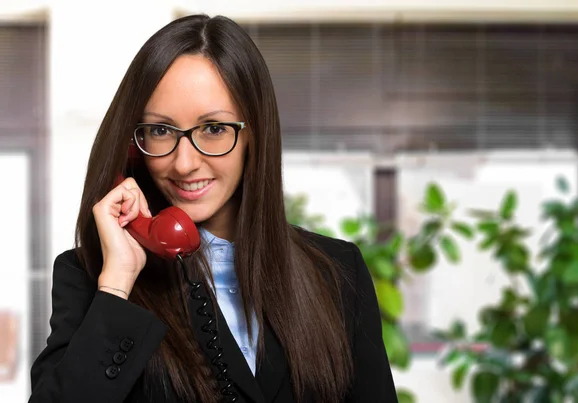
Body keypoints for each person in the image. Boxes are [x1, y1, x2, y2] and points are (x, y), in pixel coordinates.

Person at [29, 14, 396, 403]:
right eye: (160, 130)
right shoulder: (93, 278)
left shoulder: (338, 272)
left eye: (214, 128)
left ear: (253, 132)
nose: (184, 163)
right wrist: (118, 281)